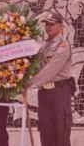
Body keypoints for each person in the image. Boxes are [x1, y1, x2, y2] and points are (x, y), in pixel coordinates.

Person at [27, 12, 73, 145]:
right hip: (44, 93)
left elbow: (51, 69)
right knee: (46, 132)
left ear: (61, 26)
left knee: (60, 133)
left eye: (52, 24)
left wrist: (30, 83)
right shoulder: (43, 46)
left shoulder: (63, 45)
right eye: (46, 24)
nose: (48, 27)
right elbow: (37, 66)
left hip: (59, 93)